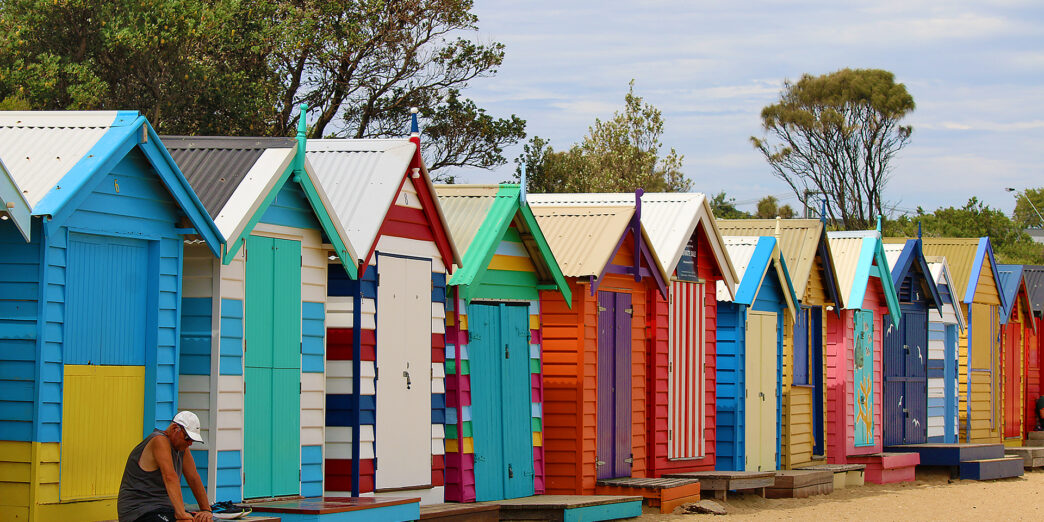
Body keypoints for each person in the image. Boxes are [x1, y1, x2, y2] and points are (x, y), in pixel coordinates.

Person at [117, 411, 213, 522]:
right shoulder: (159, 440)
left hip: (163, 509)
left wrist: (206, 510)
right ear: (174, 429)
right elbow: (170, 477)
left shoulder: (182, 448)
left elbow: (193, 478)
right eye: (187, 438)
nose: (190, 443)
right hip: (139, 510)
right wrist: (181, 514)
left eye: (192, 440)